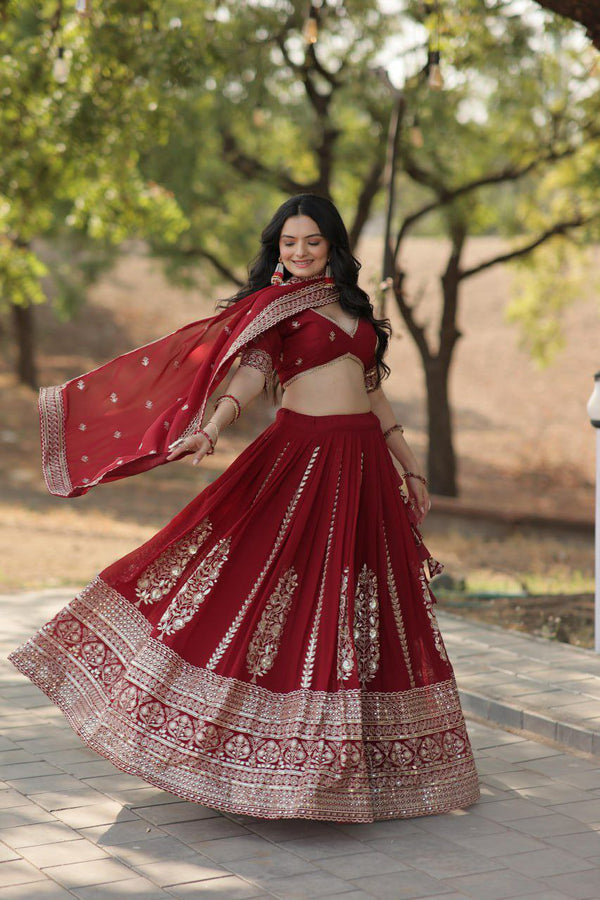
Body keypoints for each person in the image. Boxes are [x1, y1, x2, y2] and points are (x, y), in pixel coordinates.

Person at [9, 194, 479, 823]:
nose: (300, 252)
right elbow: (252, 374)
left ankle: (347, 762)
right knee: (261, 585)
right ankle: (260, 752)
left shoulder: (356, 308)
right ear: (276, 250)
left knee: (355, 600)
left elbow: (372, 390)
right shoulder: (276, 310)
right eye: (289, 243)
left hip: (363, 466)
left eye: (312, 241)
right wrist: (212, 427)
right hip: (300, 462)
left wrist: (409, 465)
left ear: (333, 245)